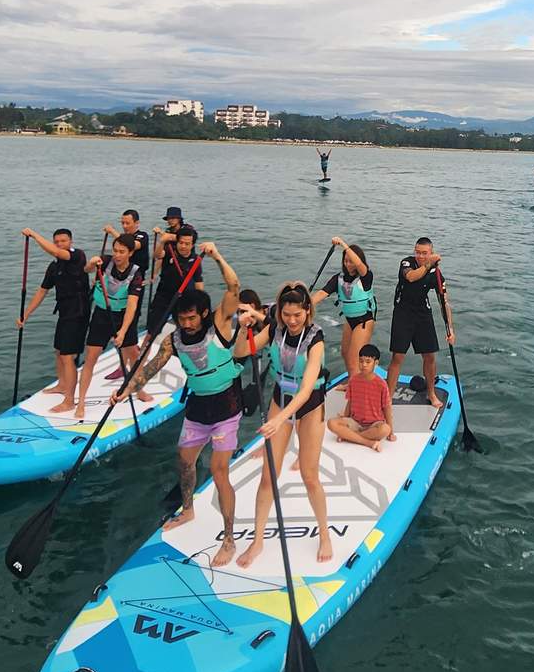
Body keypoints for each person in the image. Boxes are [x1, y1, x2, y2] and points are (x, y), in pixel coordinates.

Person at [112, 243, 245, 567]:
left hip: (227, 407)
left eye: (190, 318)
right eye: (181, 319)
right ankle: (188, 509)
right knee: (184, 463)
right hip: (198, 408)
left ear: (201, 313)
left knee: (219, 470)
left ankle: (229, 540)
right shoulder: (173, 340)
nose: (186, 324)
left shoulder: (219, 326)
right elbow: (150, 368)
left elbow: (234, 287)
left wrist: (215, 257)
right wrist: (127, 388)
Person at [236, 282, 331, 567]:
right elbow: (240, 352)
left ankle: (324, 534)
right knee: (268, 478)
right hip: (280, 399)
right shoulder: (275, 329)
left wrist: (279, 419)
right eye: (286, 315)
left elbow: (305, 390)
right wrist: (243, 328)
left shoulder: (316, 339)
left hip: (310, 406)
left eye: (297, 315)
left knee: (309, 476)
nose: (291, 321)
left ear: (307, 312)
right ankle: (257, 541)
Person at [16, 227, 89, 413]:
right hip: (64, 313)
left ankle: (70, 400)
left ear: (70, 242)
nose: (60, 244)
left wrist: (34, 235)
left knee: (67, 356)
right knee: (58, 351)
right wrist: (26, 314)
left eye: (63, 241)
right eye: (57, 241)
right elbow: (42, 291)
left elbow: (55, 252)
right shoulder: (53, 267)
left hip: (78, 313)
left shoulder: (78, 256)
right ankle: (62, 384)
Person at [75, 236, 144, 419]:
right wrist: (91, 264)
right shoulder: (104, 262)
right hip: (101, 315)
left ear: (130, 253)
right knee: (90, 358)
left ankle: (140, 389)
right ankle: (81, 402)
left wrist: (122, 332)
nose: (117, 255)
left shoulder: (136, 274)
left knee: (134, 356)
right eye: (115, 251)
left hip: (123, 317)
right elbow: (86, 270)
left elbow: (132, 305)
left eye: (122, 252)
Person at [385, 237, 455, 409]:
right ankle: (387, 396)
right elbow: (411, 277)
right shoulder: (406, 263)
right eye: (418, 252)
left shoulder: (436, 274)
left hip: (423, 314)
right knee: (398, 356)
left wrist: (450, 329)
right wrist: (428, 264)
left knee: (430, 356)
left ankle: (431, 393)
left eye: (425, 253)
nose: (420, 256)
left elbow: (443, 301)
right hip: (403, 313)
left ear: (431, 252)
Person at [102, 210, 153, 394]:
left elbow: (132, 245)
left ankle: (133, 369)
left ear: (136, 223)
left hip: (135, 284)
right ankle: (122, 364)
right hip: (118, 287)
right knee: (117, 324)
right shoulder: (122, 244)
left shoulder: (142, 236)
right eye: (122, 223)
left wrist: (114, 233)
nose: (124, 226)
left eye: (127, 223)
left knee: (128, 324)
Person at [311, 236, 375, 381]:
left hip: (364, 321)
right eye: (345, 261)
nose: (348, 264)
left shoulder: (366, 276)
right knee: (345, 353)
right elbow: (323, 292)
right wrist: (307, 304)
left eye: (351, 261)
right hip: (350, 320)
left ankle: (355, 394)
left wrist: (343, 245)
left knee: (354, 359)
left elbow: (359, 264)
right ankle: (352, 383)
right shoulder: (338, 278)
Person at [327, 344, 394, 451]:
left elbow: (386, 407)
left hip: (374, 424)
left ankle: (349, 436)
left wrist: (391, 432)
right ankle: (367, 442)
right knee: (331, 423)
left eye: (368, 362)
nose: (364, 365)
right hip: (355, 422)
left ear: (376, 363)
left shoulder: (381, 384)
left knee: (385, 429)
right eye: (361, 361)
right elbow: (350, 402)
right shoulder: (353, 380)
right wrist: (345, 417)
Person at [147, 221, 203, 334]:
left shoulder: (196, 260)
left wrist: (200, 302)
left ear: (192, 245)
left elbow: (198, 281)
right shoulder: (170, 252)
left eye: (187, 244)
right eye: (180, 242)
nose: (183, 246)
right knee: (152, 331)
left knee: (186, 329)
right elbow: (157, 256)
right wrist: (162, 241)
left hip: (184, 298)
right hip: (164, 297)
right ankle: (144, 349)